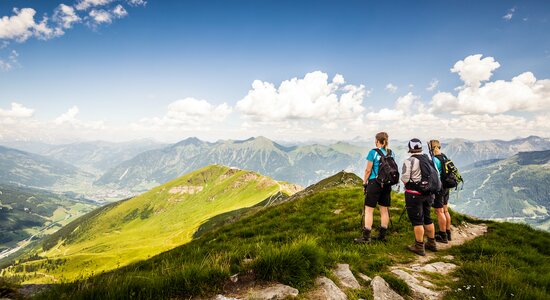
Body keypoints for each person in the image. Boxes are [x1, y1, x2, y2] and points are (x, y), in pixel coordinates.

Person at [354, 132, 394, 243]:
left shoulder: (373, 152)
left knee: (369, 209)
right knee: (384, 210)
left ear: (377, 141)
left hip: (374, 183)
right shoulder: (391, 152)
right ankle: (382, 236)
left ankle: (366, 237)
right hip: (387, 184)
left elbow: (368, 170)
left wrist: (364, 182)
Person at [401, 138, 437, 256]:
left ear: (410, 148)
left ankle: (419, 246)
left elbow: (405, 178)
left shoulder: (409, 161)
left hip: (414, 195)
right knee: (427, 218)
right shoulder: (428, 159)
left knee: (417, 221)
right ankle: (432, 243)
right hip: (429, 194)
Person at [429, 140, 452, 243]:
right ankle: (448, 232)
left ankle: (443, 236)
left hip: (439, 187)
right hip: (446, 186)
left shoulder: (434, 159)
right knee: (445, 210)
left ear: (431, 148)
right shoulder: (444, 156)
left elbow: (433, 174)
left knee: (439, 211)